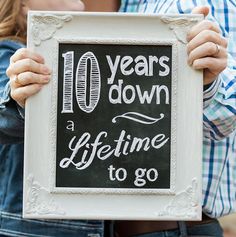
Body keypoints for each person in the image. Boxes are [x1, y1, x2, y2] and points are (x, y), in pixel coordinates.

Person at [112, 0, 236, 236]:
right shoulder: (129, 7)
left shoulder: (195, 3)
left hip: (173, 227)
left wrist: (207, 84)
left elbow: (226, 116)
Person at [0, 0, 108, 236]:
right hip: (31, 229)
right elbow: (4, 114)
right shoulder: (7, 54)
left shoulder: (82, 55)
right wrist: (19, 96)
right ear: (24, 5)